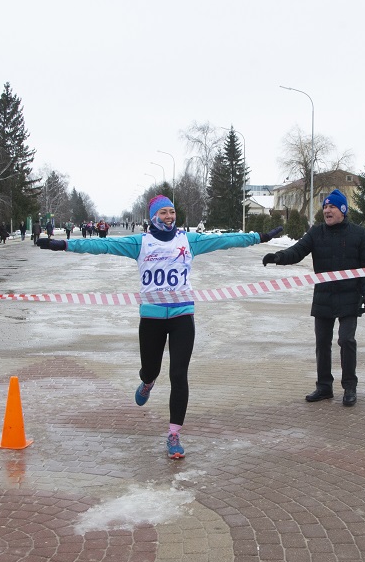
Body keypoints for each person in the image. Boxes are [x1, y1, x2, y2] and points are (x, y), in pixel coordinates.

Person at [38, 195, 282, 460]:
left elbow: (226, 240)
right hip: (152, 318)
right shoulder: (140, 243)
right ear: (153, 217)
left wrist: (260, 237)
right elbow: (103, 244)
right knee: (151, 369)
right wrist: (62, 244)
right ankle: (147, 381)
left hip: (182, 316)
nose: (169, 217)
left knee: (178, 375)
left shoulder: (188, 241)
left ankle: (174, 433)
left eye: (172, 212)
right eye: (163, 213)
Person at [262, 189, 365, 407]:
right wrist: (278, 257)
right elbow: (297, 251)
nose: (327, 210)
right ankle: (324, 386)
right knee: (322, 343)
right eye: (325, 207)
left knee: (346, 340)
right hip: (324, 295)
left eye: (332, 206)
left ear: (343, 210)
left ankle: (350, 386)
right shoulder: (317, 232)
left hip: (350, 296)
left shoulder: (358, 234)